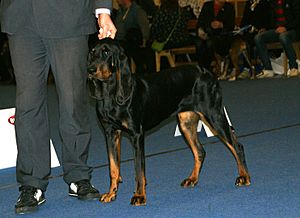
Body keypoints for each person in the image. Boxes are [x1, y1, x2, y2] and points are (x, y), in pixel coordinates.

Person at [0, 0, 116, 214]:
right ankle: (32, 183)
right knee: (27, 104)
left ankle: (78, 175)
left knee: (73, 100)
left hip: (68, 17)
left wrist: (102, 10)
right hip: (20, 17)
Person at [254, 0, 300, 78]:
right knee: (259, 37)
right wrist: (265, 28)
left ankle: (294, 67)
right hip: (277, 29)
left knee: (283, 37)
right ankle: (268, 69)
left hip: (293, 29)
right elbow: (271, 19)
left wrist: (286, 27)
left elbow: (298, 19)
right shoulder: (272, 2)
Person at [196, 0, 235, 69]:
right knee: (198, 43)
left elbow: (231, 25)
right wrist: (200, 29)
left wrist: (221, 25)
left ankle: (210, 68)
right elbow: (200, 21)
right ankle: (201, 68)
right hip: (206, 33)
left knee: (210, 43)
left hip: (221, 35)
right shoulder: (207, 5)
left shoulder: (229, 7)